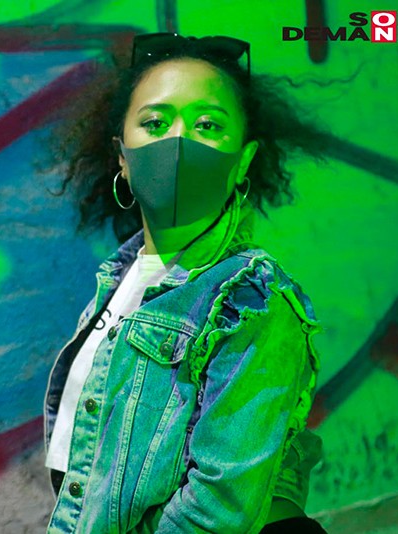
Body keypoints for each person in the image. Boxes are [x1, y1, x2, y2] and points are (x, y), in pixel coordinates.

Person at [40, 33, 331, 533]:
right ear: (122, 156)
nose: (178, 142)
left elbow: (219, 510)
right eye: (155, 123)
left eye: (207, 125)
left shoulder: (251, 302)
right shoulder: (117, 282)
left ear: (243, 161)